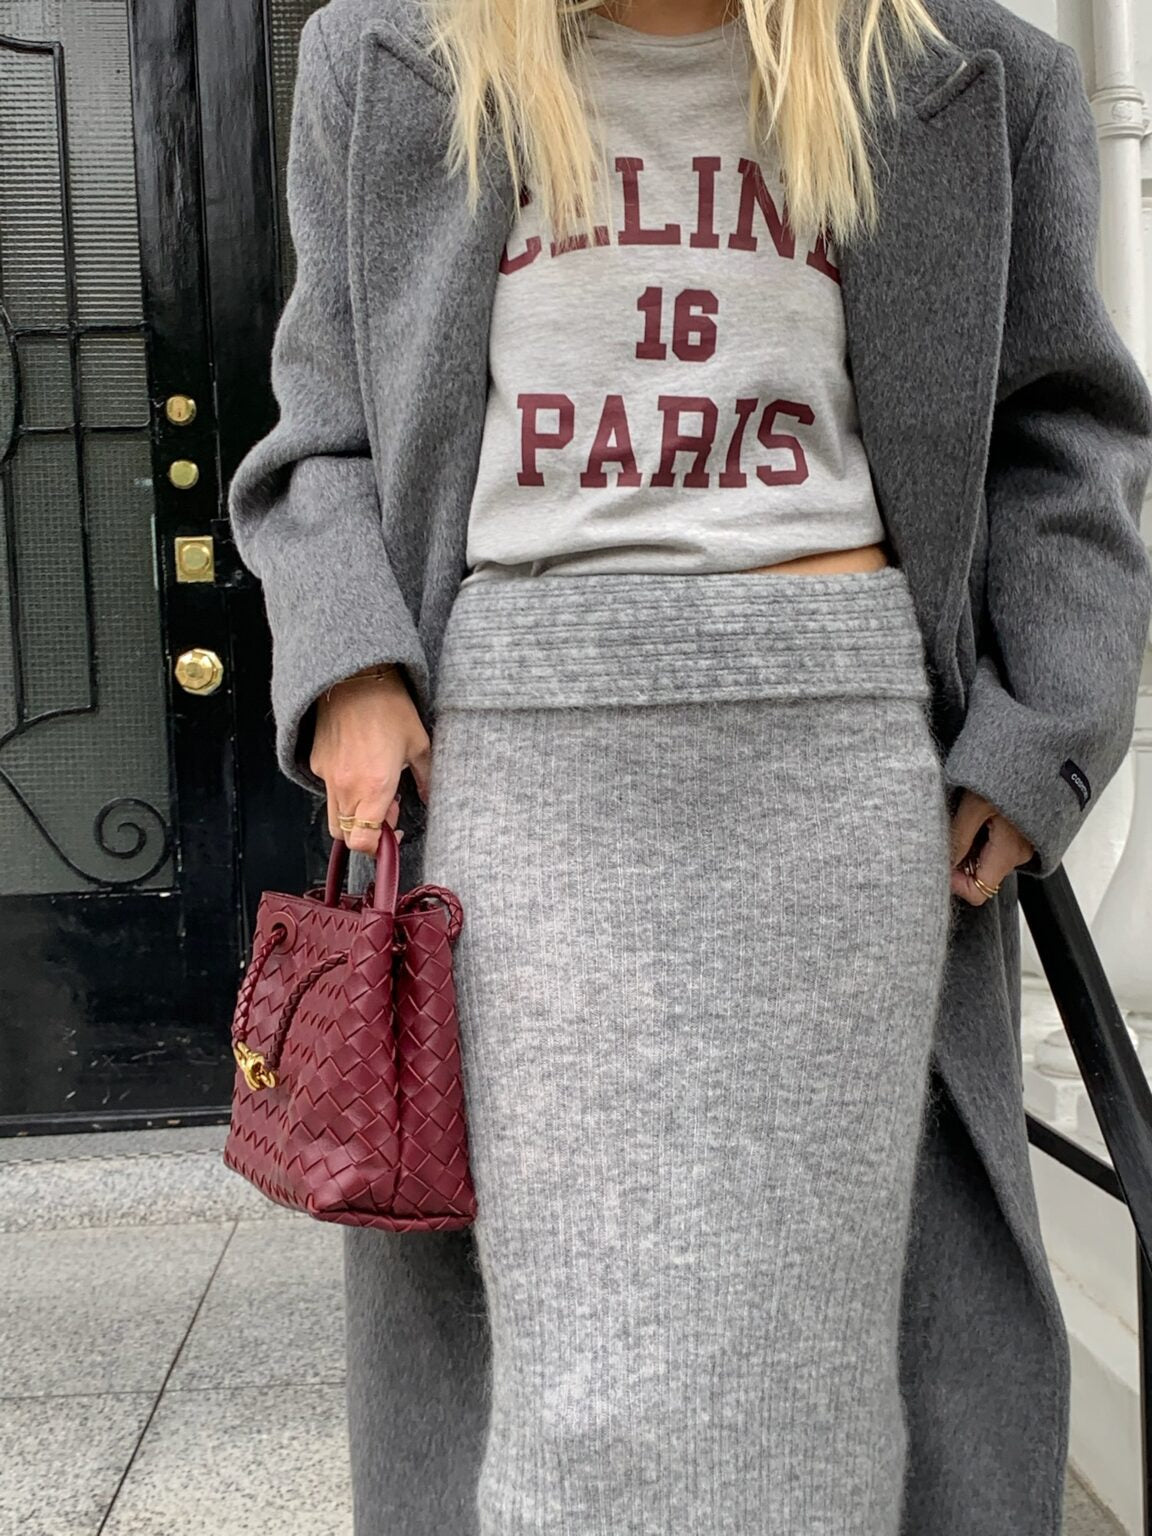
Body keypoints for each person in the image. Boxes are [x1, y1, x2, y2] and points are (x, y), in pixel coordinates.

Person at [227, 0, 1152, 1531]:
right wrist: (350, 664)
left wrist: (1044, 722)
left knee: (826, 1364)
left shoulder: (973, 72)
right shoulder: (393, 60)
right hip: (520, 774)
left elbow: (1071, 436)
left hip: (841, 767)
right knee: (560, 1379)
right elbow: (318, 426)